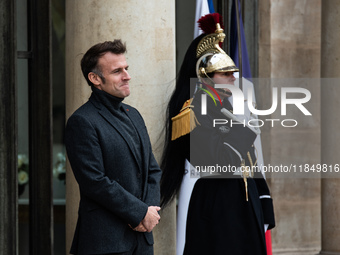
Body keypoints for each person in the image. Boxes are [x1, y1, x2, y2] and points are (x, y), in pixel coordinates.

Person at [160, 13, 275, 255]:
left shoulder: (228, 107)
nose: (234, 78)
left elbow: (250, 162)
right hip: (219, 205)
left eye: (232, 72)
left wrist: (263, 201)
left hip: (243, 201)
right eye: (226, 74)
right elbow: (222, 162)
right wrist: (245, 128)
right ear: (205, 77)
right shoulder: (193, 112)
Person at [65, 40, 162, 255]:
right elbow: (94, 181)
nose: (127, 76)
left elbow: (153, 170)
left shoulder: (133, 114)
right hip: (105, 243)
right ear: (95, 79)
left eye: (126, 69)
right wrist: (138, 213)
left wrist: (149, 213)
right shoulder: (82, 121)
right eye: (117, 71)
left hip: (142, 240)